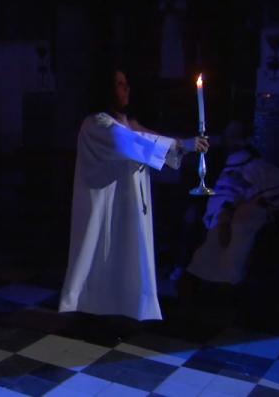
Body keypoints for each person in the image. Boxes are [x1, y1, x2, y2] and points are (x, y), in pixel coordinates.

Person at [58, 67, 208, 321]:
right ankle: (89, 308)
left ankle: (126, 308)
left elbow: (146, 137)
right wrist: (181, 144)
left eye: (126, 83)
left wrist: (185, 145)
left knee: (129, 253)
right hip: (104, 205)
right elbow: (126, 142)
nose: (126, 88)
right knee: (102, 253)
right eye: (119, 84)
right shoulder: (96, 123)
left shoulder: (126, 123)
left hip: (128, 204)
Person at [187, 120, 279, 284]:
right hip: (211, 252)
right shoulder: (216, 169)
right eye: (228, 136)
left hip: (240, 260)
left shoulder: (261, 170)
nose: (230, 141)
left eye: (235, 136)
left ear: (247, 140)